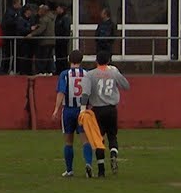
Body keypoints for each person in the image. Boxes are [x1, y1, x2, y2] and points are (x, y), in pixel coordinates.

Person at [83, 50, 131, 177]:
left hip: (97, 109)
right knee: (112, 136)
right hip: (111, 109)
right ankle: (113, 153)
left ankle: (101, 170)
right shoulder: (113, 72)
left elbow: (85, 93)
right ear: (108, 61)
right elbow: (126, 85)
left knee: (98, 139)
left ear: (96, 61)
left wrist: (83, 109)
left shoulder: (90, 74)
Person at [53, 50, 93, 178]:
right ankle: (88, 163)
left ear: (69, 60)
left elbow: (61, 92)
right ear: (81, 60)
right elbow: (91, 92)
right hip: (82, 110)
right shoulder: (87, 74)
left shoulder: (65, 74)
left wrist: (56, 109)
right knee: (85, 140)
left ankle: (69, 170)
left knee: (68, 141)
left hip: (69, 110)